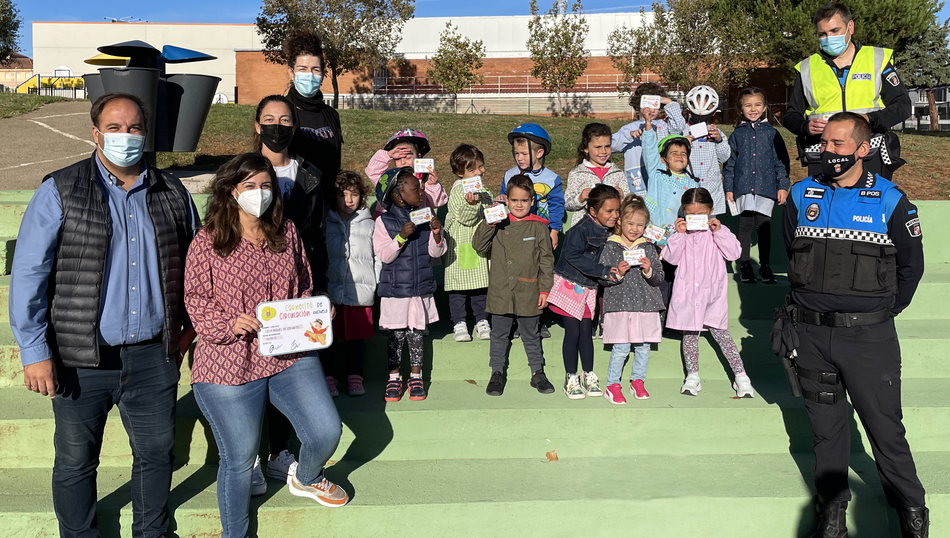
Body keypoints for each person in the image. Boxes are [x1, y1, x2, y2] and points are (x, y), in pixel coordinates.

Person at [9, 92, 200, 538]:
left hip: (153, 357)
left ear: (146, 133)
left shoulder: (172, 192)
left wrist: (189, 326)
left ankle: (151, 532)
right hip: (80, 356)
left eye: (134, 127)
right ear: (95, 133)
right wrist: (35, 351)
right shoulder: (60, 189)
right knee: (76, 461)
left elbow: (195, 265)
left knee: (156, 456)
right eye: (114, 128)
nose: (125, 136)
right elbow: (29, 274)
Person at [777, 112, 928, 538]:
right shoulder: (802, 194)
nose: (829, 151)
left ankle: (912, 515)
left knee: (885, 430)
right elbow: (792, 250)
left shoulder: (892, 200)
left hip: (868, 338)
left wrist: (873, 315)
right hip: (810, 335)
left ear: (864, 150)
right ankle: (832, 518)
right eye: (826, 143)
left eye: (839, 145)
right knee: (826, 433)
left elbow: (910, 270)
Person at [185, 153, 347, 537]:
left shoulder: (286, 231)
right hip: (228, 360)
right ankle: (235, 533)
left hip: (288, 353)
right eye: (249, 186)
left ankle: (307, 476)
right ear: (230, 191)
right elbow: (194, 298)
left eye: (265, 186)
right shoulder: (209, 240)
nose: (259, 194)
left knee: (326, 431)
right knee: (239, 459)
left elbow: (304, 283)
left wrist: (316, 312)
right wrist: (229, 322)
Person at [253, 94, 330, 490]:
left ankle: (280, 452)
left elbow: (317, 237)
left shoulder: (312, 176)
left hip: (297, 295)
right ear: (257, 126)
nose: (277, 126)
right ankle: (249, 454)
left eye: (285, 120)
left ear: (294, 127)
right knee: (250, 374)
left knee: (288, 369)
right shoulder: (244, 174)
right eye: (269, 119)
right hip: (248, 294)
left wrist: (322, 293)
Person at [783, 2, 911, 180]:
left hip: (870, 153)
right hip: (823, 155)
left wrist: (870, 119)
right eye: (823, 34)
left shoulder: (877, 59)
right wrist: (805, 127)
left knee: (869, 208)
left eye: (835, 31)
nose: (829, 38)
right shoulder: (806, 68)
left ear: (850, 27)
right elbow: (790, 115)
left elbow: (903, 106)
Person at [663, 188, 754, 398]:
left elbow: (734, 253)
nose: (695, 219)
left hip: (712, 296)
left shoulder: (717, 232)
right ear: (684, 214)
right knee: (690, 335)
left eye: (700, 215)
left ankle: (741, 377)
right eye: (690, 215)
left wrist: (719, 231)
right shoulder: (681, 234)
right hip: (687, 295)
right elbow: (671, 258)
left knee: (722, 334)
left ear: (711, 211)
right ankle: (692, 376)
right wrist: (679, 235)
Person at [472, 174, 556, 396]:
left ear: (531, 202)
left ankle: (537, 373)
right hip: (501, 291)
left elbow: (547, 261)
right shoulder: (498, 222)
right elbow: (478, 245)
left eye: (524, 201)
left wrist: (545, 290)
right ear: (506, 200)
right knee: (499, 334)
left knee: (531, 334)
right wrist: (489, 221)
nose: (519, 205)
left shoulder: (538, 227)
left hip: (530, 291)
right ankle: (496, 373)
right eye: (514, 200)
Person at [374, 167, 447, 402]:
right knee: (396, 336)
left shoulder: (425, 216)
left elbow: (436, 253)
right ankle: (393, 377)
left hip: (419, 288)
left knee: (417, 334)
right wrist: (400, 237)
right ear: (397, 195)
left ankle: (416, 377)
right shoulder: (384, 221)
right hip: (396, 291)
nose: (420, 190)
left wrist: (437, 234)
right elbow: (384, 255)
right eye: (415, 188)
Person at [547, 184, 624, 399]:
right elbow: (573, 256)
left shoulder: (608, 229)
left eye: (617, 210)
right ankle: (571, 377)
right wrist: (603, 271)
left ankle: (588, 374)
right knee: (572, 332)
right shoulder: (579, 230)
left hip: (589, 288)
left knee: (586, 332)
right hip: (570, 286)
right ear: (592, 211)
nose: (614, 215)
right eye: (609, 211)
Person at [598, 195, 665, 404]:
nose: (635, 229)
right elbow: (602, 277)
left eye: (640, 225)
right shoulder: (610, 246)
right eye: (630, 223)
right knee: (621, 348)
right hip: (619, 306)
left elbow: (659, 278)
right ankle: (612, 385)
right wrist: (617, 272)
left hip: (646, 306)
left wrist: (648, 270)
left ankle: (637, 381)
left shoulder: (647, 247)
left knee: (644, 347)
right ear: (619, 222)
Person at [722, 87, 791, 284]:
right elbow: (730, 164)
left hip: (766, 187)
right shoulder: (737, 135)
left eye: (758, 104)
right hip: (742, 187)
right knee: (744, 226)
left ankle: (765, 266)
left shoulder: (772, 133)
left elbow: (781, 162)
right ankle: (745, 266)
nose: (753, 109)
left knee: (764, 227)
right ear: (740, 108)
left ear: (765, 107)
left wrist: (782, 186)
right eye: (748, 105)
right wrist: (729, 188)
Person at [326, 170, 376, 396]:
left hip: (360, 291)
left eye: (354, 194)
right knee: (329, 338)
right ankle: (329, 377)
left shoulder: (369, 223)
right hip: (332, 291)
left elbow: (376, 257)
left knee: (356, 339)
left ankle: (355, 377)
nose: (349, 200)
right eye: (342, 195)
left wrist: (377, 283)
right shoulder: (326, 221)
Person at [443, 144, 493, 342]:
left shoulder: (483, 188)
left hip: (478, 246)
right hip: (461, 246)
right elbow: (464, 218)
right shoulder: (457, 190)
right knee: (459, 290)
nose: (478, 172)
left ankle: (482, 320)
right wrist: (472, 205)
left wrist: (496, 203)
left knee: (481, 288)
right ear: (459, 172)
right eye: (471, 169)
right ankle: (459, 323)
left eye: (480, 167)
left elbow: (488, 208)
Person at [283, 30, 343, 191]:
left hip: (327, 204)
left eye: (315, 69)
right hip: (294, 202)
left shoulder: (331, 115)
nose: (310, 75)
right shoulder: (282, 112)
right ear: (291, 72)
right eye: (302, 69)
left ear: (323, 74)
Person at [611, 83, 688, 196]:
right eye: (647, 104)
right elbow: (611, 145)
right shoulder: (629, 128)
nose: (651, 110)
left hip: (663, 178)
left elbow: (679, 127)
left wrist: (669, 103)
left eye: (655, 105)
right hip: (638, 180)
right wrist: (629, 135)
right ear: (638, 105)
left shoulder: (664, 125)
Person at [497, 123, 564, 250]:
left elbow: (556, 207)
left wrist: (554, 231)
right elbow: (504, 198)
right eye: (516, 153)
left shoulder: (551, 179)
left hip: (540, 232)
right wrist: (500, 199)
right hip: (514, 230)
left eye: (524, 154)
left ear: (539, 153)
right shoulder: (509, 175)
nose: (519, 158)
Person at [365, 128, 447, 216]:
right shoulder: (390, 178)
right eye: (398, 158)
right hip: (392, 223)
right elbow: (372, 171)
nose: (403, 162)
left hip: (419, 224)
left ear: (418, 155)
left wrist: (432, 185)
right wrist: (388, 155)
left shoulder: (426, 178)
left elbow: (438, 203)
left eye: (408, 157)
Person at [564, 122, 628, 226]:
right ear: (585, 148)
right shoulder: (577, 174)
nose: (603, 151)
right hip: (584, 230)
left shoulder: (617, 173)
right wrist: (580, 198)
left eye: (607, 146)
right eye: (598, 147)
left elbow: (628, 204)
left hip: (612, 231)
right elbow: (567, 204)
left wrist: (622, 197)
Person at [686, 119, 731, 215]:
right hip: (689, 190)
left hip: (710, 189)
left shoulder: (715, 131)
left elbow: (723, 158)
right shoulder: (683, 130)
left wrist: (719, 141)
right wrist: (684, 144)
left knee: (710, 224)